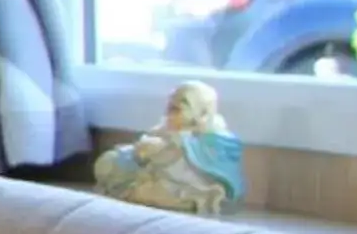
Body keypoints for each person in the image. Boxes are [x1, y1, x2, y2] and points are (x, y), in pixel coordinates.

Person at [95, 81, 245, 215]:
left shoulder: (213, 138)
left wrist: (171, 147)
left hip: (182, 183)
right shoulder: (166, 128)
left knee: (156, 191)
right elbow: (147, 148)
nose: (171, 112)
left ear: (201, 112)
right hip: (150, 170)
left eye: (179, 107)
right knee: (109, 161)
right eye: (170, 106)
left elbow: (197, 165)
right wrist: (145, 150)